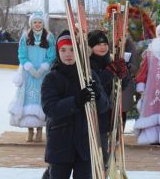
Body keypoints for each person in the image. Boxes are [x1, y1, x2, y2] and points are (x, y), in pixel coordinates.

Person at [41, 30, 110, 179]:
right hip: (60, 143)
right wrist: (76, 101)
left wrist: (97, 95)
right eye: (63, 50)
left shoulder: (89, 75)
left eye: (72, 49)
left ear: (79, 52)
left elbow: (104, 107)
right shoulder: (51, 78)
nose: (68, 54)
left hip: (85, 145)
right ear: (58, 52)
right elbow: (50, 109)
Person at [8, 11, 56, 142]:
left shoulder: (49, 37)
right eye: (35, 22)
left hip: (43, 73)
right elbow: (21, 54)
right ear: (31, 23)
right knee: (28, 99)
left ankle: (40, 130)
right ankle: (30, 131)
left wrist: (43, 67)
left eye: (40, 22)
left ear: (43, 23)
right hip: (28, 74)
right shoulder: (25, 37)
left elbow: (52, 54)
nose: (37, 24)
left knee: (41, 99)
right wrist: (29, 67)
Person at [87, 29, 129, 168]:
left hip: (107, 113)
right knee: (91, 154)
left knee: (104, 154)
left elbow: (121, 87)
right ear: (91, 47)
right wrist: (109, 72)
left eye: (105, 43)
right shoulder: (87, 63)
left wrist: (124, 74)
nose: (102, 47)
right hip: (91, 113)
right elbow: (95, 83)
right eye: (98, 44)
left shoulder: (111, 61)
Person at [122, 38, 139, 130]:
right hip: (111, 82)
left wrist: (127, 64)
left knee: (122, 110)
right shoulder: (108, 43)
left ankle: (119, 136)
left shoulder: (130, 46)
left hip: (125, 84)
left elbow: (135, 68)